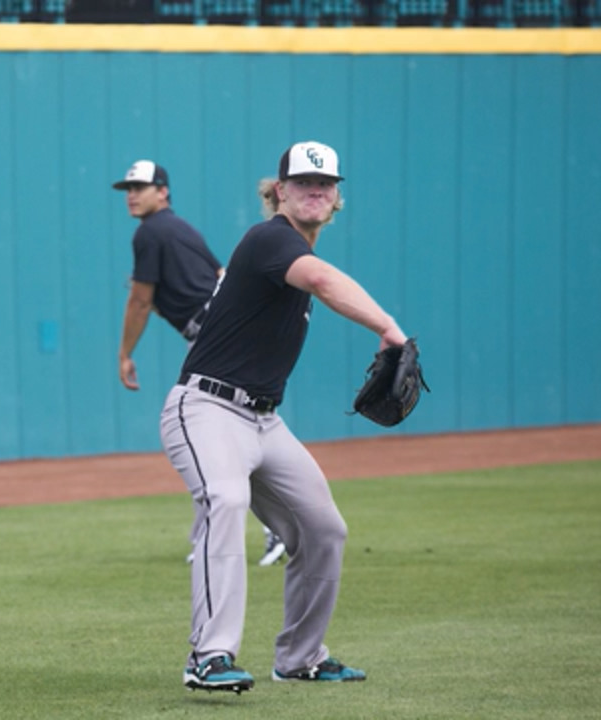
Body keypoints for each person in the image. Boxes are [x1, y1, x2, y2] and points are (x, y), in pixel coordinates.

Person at [163, 141, 407, 693]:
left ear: (336, 197)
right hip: (205, 408)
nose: (314, 191)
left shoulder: (290, 258)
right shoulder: (270, 239)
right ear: (279, 191)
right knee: (226, 499)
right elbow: (322, 279)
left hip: (263, 422)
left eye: (325, 184)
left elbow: (315, 278)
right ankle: (209, 656)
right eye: (302, 182)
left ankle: (301, 657)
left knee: (324, 530)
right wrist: (387, 328)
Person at [112, 159, 287, 567]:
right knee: (219, 434)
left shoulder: (149, 233)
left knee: (209, 432)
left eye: (140, 187)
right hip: (228, 330)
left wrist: (125, 353)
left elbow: (140, 300)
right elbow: (222, 273)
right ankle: (215, 533)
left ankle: (273, 526)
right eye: (128, 189)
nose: (132, 195)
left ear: (163, 192)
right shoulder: (179, 229)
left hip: (217, 336)